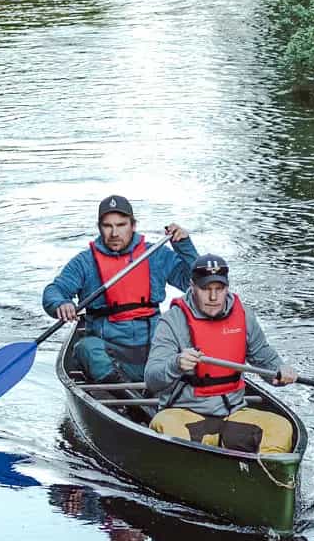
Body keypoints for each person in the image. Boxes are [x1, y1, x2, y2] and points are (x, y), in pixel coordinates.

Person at [144, 254, 299, 455]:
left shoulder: (243, 315)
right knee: (167, 427)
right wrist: (176, 364)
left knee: (282, 428)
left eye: (219, 289)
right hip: (185, 415)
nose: (213, 297)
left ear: (227, 287)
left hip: (233, 414)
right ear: (192, 286)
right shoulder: (172, 321)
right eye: (206, 289)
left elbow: (264, 357)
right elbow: (151, 379)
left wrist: (280, 369)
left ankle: (266, 474)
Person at [42, 195, 197, 383]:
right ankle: (127, 398)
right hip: (110, 352)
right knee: (86, 348)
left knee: (191, 345)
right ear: (100, 228)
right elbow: (55, 290)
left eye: (121, 225)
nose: (114, 233)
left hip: (154, 349)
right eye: (108, 226)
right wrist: (61, 303)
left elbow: (195, 282)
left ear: (133, 225)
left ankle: (167, 391)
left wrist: (184, 246)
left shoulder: (155, 255)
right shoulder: (85, 262)